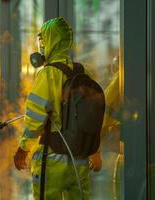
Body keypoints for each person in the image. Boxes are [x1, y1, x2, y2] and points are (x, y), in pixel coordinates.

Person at [13, 17, 102, 199]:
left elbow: (35, 116)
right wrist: (95, 151)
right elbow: (94, 117)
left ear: (51, 41)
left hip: (51, 159)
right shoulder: (84, 73)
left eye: (44, 40)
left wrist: (23, 148)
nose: (42, 46)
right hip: (80, 158)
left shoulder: (48, 74)